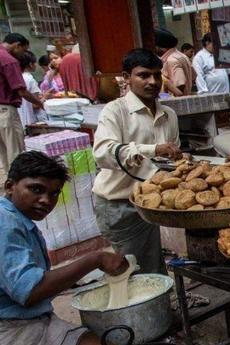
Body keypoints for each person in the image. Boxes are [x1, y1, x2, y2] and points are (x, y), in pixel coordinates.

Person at [0, 151, 128, 345]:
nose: (46, 200)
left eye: (54, 194)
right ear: (10, 186)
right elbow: (30, 291)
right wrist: (96, 259)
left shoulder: (18, 219)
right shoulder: (5, 222)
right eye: (36, 189)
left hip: (36, 318)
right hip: (11, 327)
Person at [93, 48, 182, 274]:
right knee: (131, 270)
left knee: (151, 263)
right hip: (119, 204)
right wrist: (153, 149)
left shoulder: (168, 115)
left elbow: (171, 160)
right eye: (143, 75)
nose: (152, 82)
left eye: (157, 75)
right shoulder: (115, 111)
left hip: (150, 203)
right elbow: (103, 152)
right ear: (126, 78)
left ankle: (163, 306)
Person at [0, 33, 43, 182]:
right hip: (6, 111)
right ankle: (18, 190)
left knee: (4, 156)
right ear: (17, 45)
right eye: (23, 50)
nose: (22, 55)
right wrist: (40, 103)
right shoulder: (9, 60)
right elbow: (22, 91)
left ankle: (9, 187)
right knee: (15, 154)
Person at [155, 28, 193, 96]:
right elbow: (193, 77)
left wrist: (165, 98)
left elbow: (180, 86)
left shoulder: (171, 60)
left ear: (160, 47)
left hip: (177, 103)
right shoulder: (182, 56)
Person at [17, 51, 47, 127]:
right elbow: (35, 105)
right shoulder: (30, 79)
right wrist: (45, 97)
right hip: (29, 119)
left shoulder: (16, 77)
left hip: (18, 118)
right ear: (30, 64)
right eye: (35, 63)